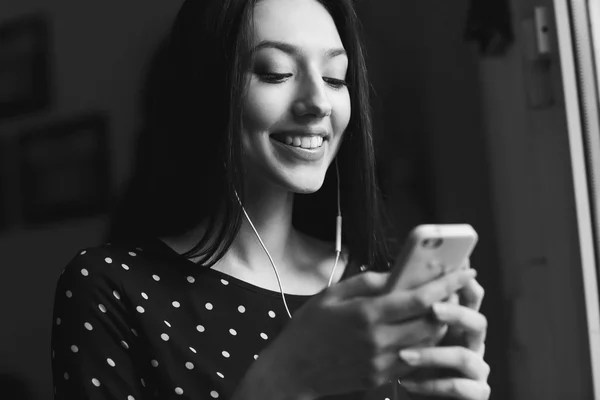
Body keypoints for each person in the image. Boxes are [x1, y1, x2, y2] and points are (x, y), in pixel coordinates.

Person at [50, 0, 490, 399]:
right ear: (208, 86)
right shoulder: (112, 288)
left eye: (336, 78)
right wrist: (285, 379)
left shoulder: (373, 285)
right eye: (276, 72)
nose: (318, 102)